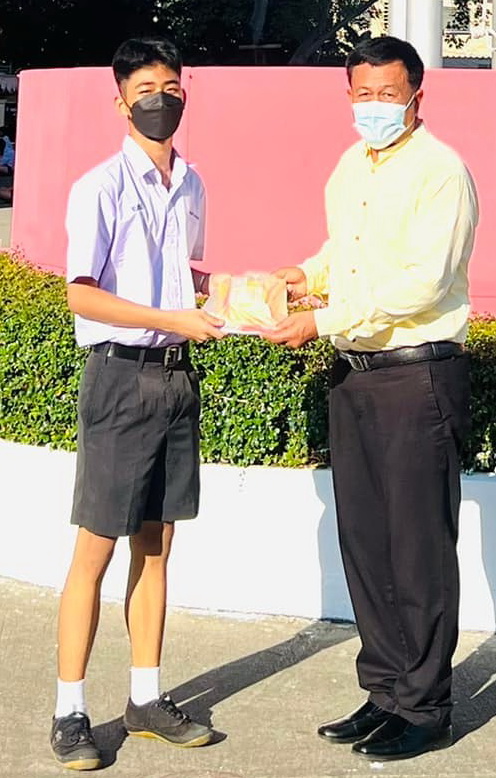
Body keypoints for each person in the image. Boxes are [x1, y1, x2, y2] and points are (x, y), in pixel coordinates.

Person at [263, 36, 478, 761]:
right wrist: (304, 276)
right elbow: (347, 253)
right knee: (366, 543)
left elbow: (421, 281)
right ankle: (384, 690)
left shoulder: (440, 171)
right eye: (364, 93)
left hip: (417, 375)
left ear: (417, 96)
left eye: (389, 93)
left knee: (418, 548)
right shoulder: (352, 165)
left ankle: (426, 707)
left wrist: (321, 318)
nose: (376, 106)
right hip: (354, 373)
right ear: (348, 94)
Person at [51, 37, 225, 771]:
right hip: (120, 379)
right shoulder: (98, 187)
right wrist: (170, 317)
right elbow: (81, 294)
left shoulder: (193, 183)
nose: (161, 99)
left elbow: (185, 274)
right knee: (94, 550)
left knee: (156, 545)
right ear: (120, 101)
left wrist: (241, 294)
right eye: (146, 88)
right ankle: (69, 712)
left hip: (177, 379)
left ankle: (146, 699)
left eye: (172, 87)